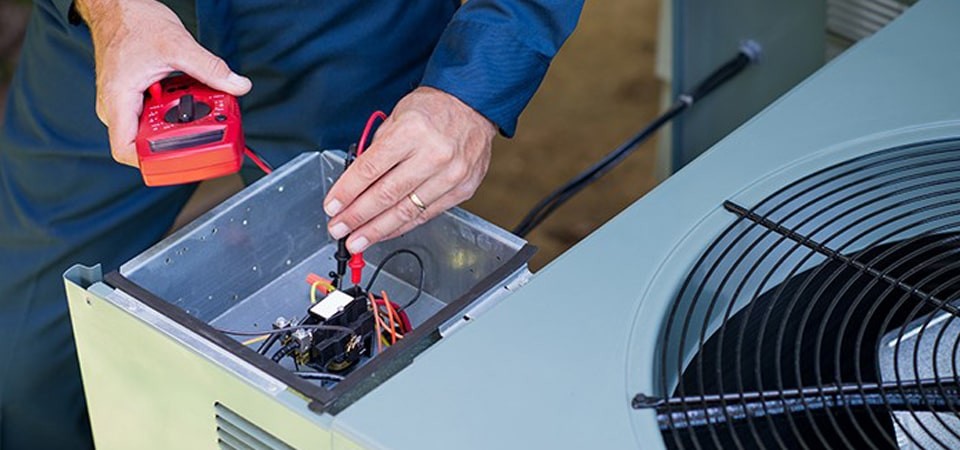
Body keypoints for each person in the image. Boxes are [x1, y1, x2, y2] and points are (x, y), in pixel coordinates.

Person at [0, 0, 583, 448]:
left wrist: (469, 93)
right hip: (116, 39)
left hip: (352, 37)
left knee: (363, 394)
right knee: (22, 361)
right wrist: (111, 12)